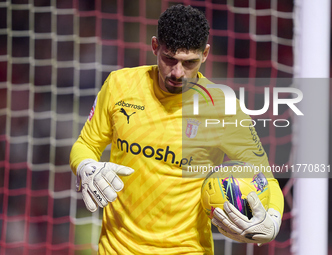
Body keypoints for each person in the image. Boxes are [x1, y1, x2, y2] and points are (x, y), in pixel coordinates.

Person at [70, 4, 284, 254]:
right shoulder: (120, 85)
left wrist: (273, 220)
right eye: (169, 59)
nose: (178, 73)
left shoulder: (223, 108)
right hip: (117, 248)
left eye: (189, 62)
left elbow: (265, 177)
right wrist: (85, 166)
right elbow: (87, 144)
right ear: (154, 47)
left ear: (205, 54)